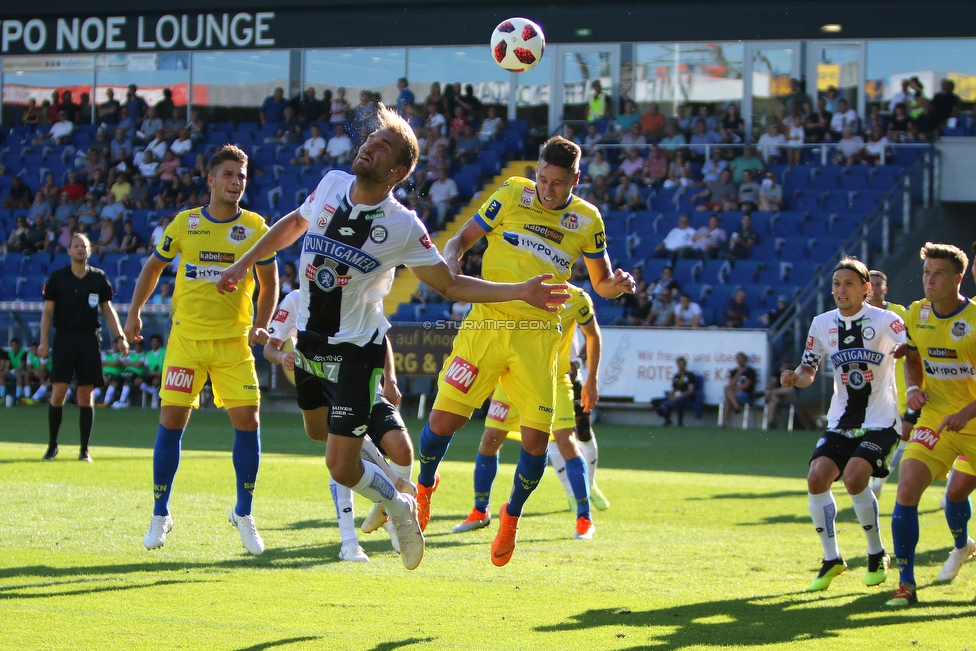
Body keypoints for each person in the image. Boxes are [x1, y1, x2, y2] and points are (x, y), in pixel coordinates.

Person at [215, 105, 571, 571]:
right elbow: (293, 224)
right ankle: (386, 473)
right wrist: (244, 262)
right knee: (316, 431)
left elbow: (450, 284)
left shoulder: (402, 225)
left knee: (339, 466)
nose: (369, 146)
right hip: (309, 344)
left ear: (398, 171)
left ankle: (401, 508)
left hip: (355, 353)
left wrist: (520, 290)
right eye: (370, 140)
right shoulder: (331, 184)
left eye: (382, 146)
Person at [412, 134, 634, 566]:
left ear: (576, 179)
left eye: (557, 183)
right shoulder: (513, 193)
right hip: (487, 326)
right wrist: (454, 256)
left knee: (535, 443)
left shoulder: (587, 219)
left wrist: (617, 286)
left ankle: (510, 516)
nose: (547, 190)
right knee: (442, 423)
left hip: (538, 339)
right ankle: (424, 489)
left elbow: (602, 283)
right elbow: (461, 239)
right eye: (542, 178)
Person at [123, 146, 279, 556]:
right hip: (186, 341)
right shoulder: (185, 223)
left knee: (249, 420)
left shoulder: (256, 227)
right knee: (172, 418)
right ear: (210, 180)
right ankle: (160, 512)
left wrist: (262, 323)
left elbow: (270, 280)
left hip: (232, 343)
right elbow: (153, 267)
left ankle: (243, 513)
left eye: (241, 176)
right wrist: (135, 312)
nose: (236, 182)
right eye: (228, 175)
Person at [780, 257, 906, 593]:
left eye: (848, 284)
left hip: (881, 421)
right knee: (817, 477)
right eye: (836, 284)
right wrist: (796, 377)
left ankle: (876, 553)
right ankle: (832, 558)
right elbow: (809, 369)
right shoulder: (822, 323)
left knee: (853, 477)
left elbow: (909, 347)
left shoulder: (886, 320)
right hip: (841, 421)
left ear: (866, 288)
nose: (840, 290)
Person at [265, 288, 414, 562]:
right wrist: (281, 357)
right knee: (342, 457)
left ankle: (388, 509)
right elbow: (270, 346)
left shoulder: (358, 288)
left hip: (361, 381)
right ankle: (350, 540)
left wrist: (390, 378)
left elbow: (381, 334)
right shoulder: (297, 299)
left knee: (401, 449)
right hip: (321, 385)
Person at [452, 286, 602, 538]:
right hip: (511, 379)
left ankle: (584, 518)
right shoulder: (519, 289)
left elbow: (593, 335)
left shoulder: (577, 298)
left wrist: (591, 381)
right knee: (490, 440)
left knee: (566, 441)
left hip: (553, 380)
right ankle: (480, 511)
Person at [887, 243, 976, 606]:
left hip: (971, 419)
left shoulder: (974, 320)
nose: (929, 280)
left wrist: (967, 414)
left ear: (957, 279)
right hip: (936, 419)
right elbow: (912, 356)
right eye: (926, 273)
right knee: (906, 489)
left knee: (956, 494)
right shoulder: (916, 313)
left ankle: (962, 546)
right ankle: (906, 584)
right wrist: (913, 388)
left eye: (938, 274)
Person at [37, 234, 127, 461]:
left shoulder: (98, 278)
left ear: (90, 251)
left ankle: (84, 450)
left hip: (89, 340)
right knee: (58, 393)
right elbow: (47, 312)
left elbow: (107, 309)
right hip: (64, 339)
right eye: (76, 246)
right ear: (68, 251)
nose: (80, 249)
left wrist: (120, 336)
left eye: (84, 246)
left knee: (86, 395)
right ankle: (52, 446)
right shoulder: (58, 278)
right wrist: (44, 340)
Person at [865, 270, 911, 498]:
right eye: (870, 284)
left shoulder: (899, 312)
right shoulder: (859, 315)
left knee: (903, 434)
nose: (874, 288)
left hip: (899, 384)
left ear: (886, 288)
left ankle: (879, 477)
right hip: (870, 386)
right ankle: (873, 475)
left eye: (878, 284)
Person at [651, 357, 696, 426]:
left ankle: (680, 423)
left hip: (685, 396)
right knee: (655, 401)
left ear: (685, 365)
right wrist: (671, 395)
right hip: (676, 395)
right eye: (679, 364)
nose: (681, 366)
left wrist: (678, 396)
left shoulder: (690, 375)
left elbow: (690, 391)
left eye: (682, 364)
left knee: (680, 401)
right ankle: (667, 418)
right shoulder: (676, 376)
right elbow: (673, 389)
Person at [721, 351, 756, 426]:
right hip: (734, 394)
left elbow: (747, 384)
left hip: (745, 394)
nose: (740, 361)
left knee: (728, 398)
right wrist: (738, 373)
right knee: (727, 389)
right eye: (738, 359)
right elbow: (730, 384)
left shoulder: (750, 371)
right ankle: (736, 406)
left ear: (745, 360)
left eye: (742, 359)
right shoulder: (734, 371)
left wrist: (736, 388)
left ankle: (724, 422)